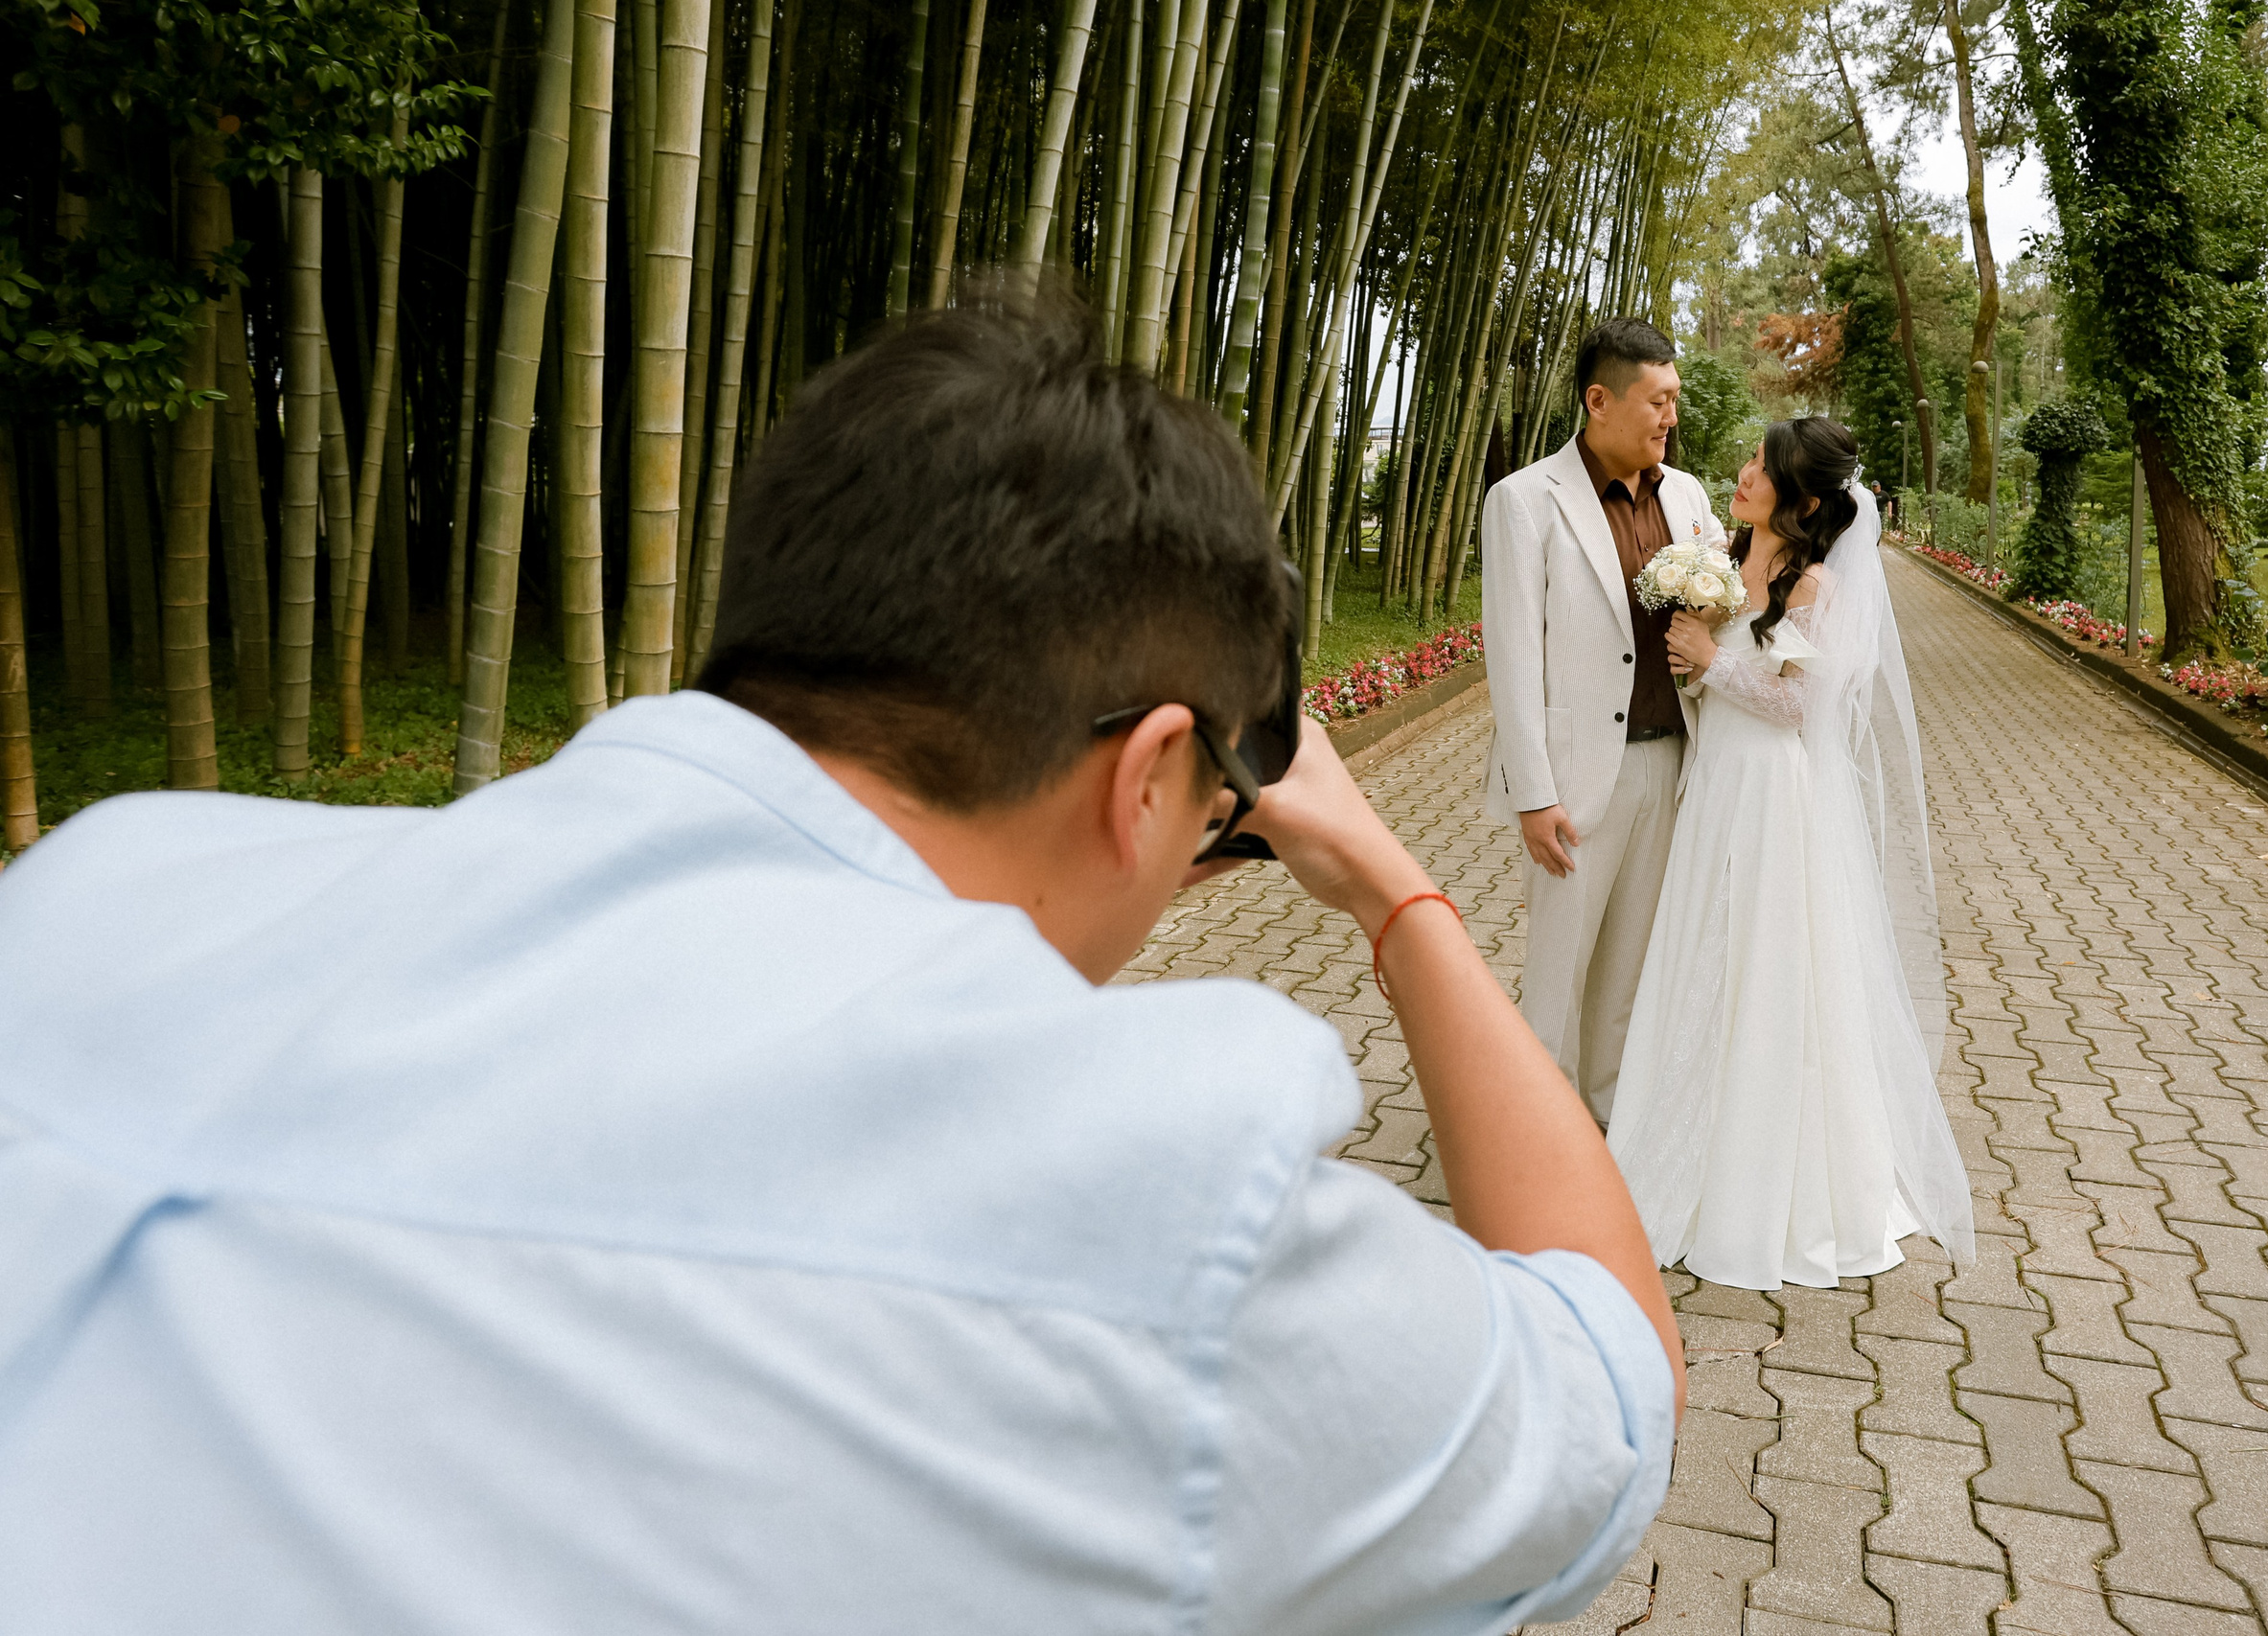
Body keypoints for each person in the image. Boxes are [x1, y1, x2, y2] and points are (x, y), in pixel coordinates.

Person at [0, 291, 1682, 1634]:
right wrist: (1399, 892)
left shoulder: (109, 885)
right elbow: (1609, 1385)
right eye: (1204, 823)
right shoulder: (1160, 1193)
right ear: (1148, 774)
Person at [1605, 416, 1975, 1291]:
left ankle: (1760, 1182)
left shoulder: (1810, 589)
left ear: (1802, 500)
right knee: (1703, 949)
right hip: (1718, 781)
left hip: (1773, 794)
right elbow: (1725, 679)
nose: (1742, 474)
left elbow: (1800, 708)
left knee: (1765, 962)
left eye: (1761, 469)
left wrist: (1710, 660)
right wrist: (1698, 664)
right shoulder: (1726, 563)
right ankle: (1674, 1137)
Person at [1480, 318, 1726, 1124]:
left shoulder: (1687, 496)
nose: (1670, 418)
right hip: (1576, 779)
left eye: (1674, 401)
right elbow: (1513, 658)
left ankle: (1610, 1131)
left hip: (1669, 763)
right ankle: (1534, 1139)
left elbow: (1726, 606)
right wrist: (1531, 795)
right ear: (1599, 400)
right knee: (1559, 977)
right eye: (1658, 401)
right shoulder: (1524, 501)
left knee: (1629, 975)